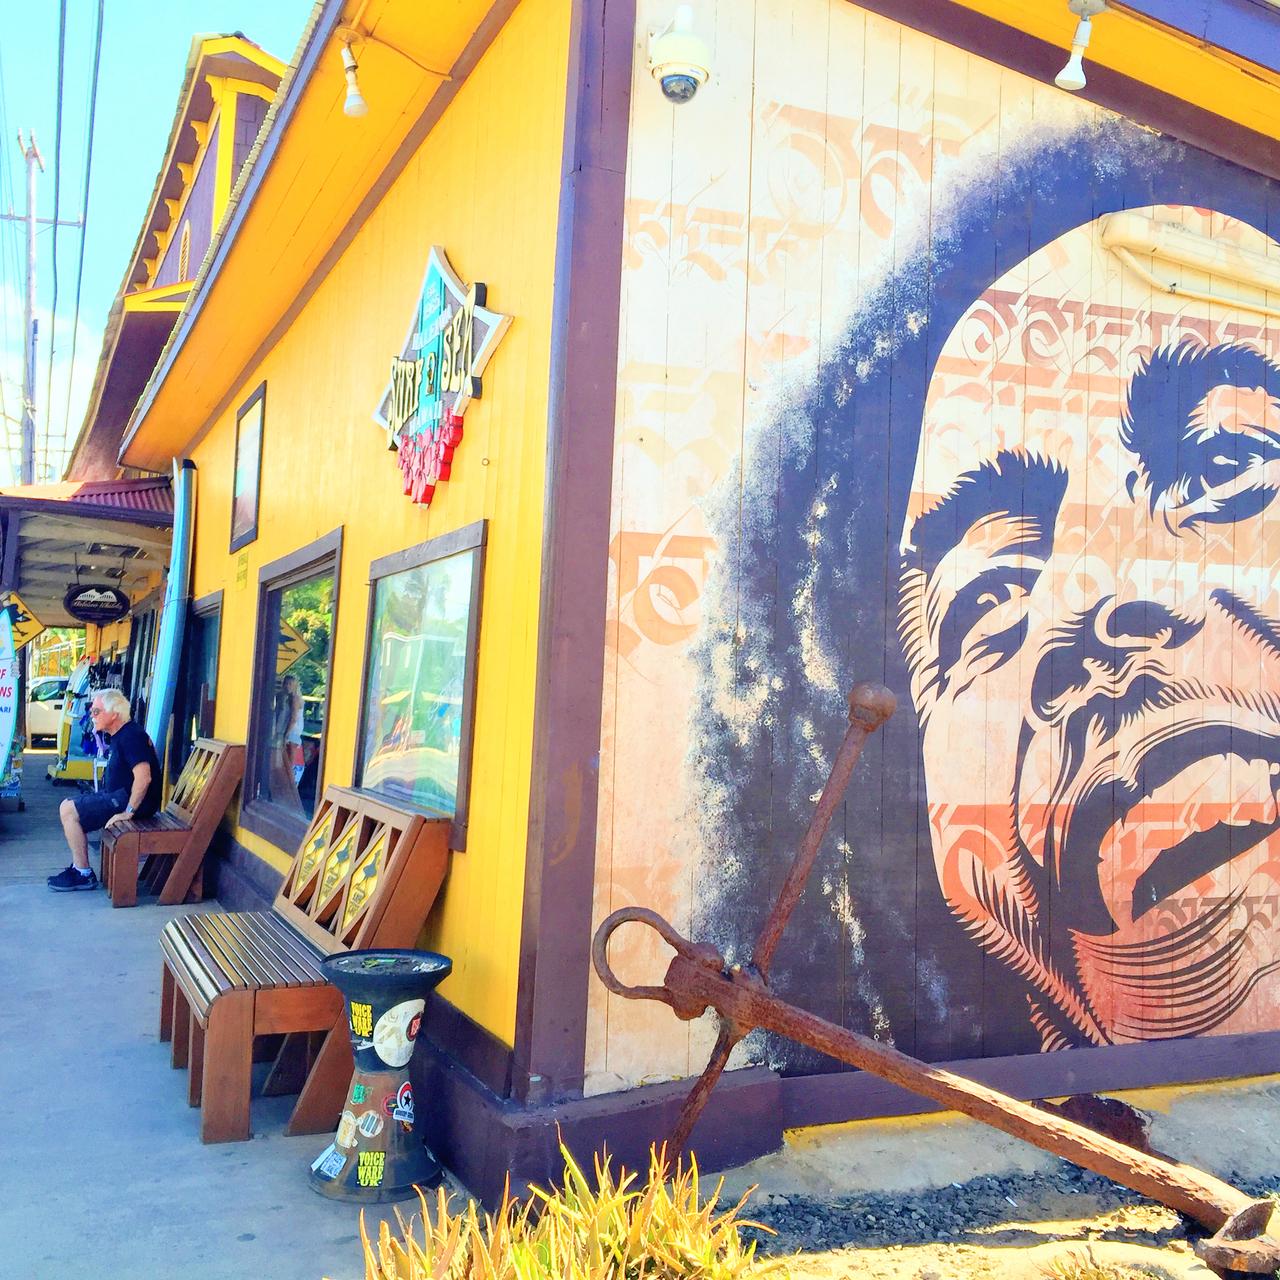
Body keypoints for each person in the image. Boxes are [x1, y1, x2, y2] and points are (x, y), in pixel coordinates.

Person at [47, 688, 162, 892]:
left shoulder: (131, 736)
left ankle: (82, 873)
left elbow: (144, 777)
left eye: (96, 711)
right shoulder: (123, 734)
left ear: (114, 713)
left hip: (129, 802)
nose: (92, 715)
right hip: (119, 797)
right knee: (72, 807)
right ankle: (81, 870)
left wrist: (128, 812)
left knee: (68, 809)